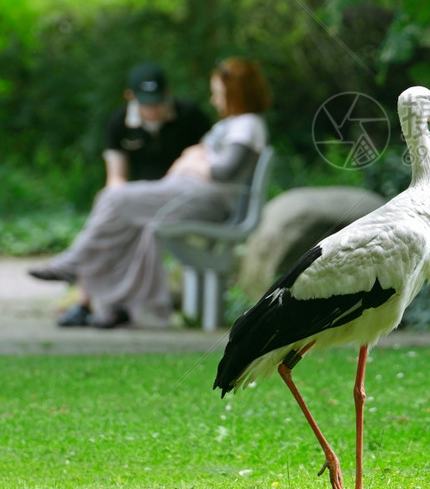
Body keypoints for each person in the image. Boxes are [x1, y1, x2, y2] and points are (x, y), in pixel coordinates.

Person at [28, 58, 272, 329]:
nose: (213, 99)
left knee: (111, 199)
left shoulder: (247, 125)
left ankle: (74, 263)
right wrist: (191, 159)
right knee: (127, 216)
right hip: (183, 192)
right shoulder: (234, 124)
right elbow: (123, 174)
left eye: (218, 92)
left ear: (235, 93)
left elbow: (223, 171)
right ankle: (119, 308)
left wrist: (192, 161)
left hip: (201, 198)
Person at [104, 62, 212, 187]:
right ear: (130, 96)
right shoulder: (118, 123)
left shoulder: (190, 115)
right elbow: (116, 177)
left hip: (186, 188)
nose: (153, 110)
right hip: (141, 192)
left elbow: (209, 156)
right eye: (146, 104)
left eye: (157, 102)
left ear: (167, 92)